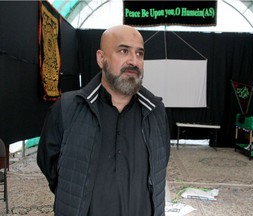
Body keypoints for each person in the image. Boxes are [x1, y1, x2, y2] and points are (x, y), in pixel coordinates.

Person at [37, 25, 171, 216]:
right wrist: (75, 193)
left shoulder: (155, 111)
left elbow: (160, 163)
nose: (134, 61)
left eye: (139, 53)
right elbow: (49, 164)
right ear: (101, 58)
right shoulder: (68, 108)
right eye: (123, 51)